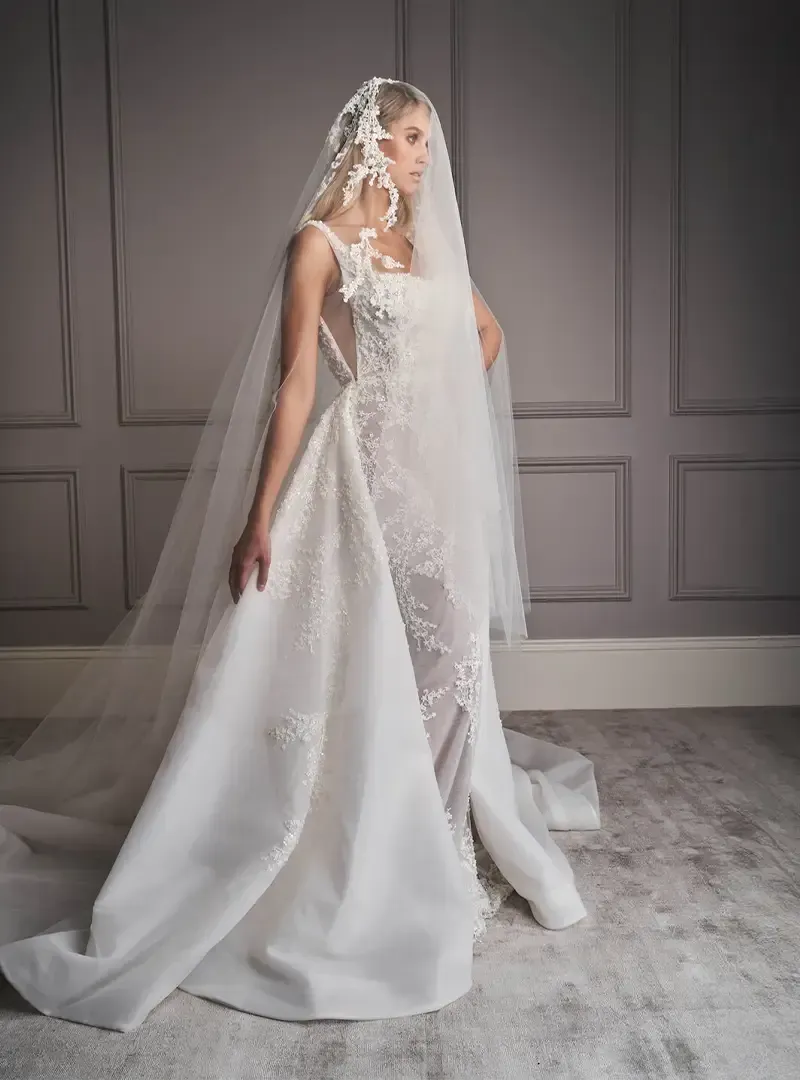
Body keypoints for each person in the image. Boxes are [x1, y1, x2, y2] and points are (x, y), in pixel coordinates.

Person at [0, 77, 600, 1032]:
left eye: (427, 144)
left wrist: (429, 404)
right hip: (360, 483)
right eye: (409, 138)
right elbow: (294, 387)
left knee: (453, 664)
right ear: (369, 138)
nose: (422, 159)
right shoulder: (319, 245)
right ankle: (369, 855)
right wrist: (259, 517)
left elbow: (487, 333)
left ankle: (440, 845)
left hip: (436, 483)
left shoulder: (425, 243)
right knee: (361, 674)